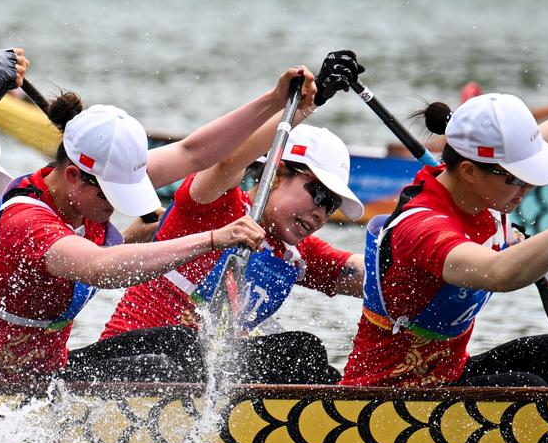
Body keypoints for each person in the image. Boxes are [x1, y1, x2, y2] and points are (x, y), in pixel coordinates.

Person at [0, 66, 318, 382]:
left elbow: (193, 153)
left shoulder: (86, 190)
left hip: (49, 378)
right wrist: (211, 239)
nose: (114, 206)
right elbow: (100, 267)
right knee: (162, 366)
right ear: (74, 176)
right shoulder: (27, 221)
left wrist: (275, 100)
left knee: (182, 344)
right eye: (111, 195)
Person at [87, 121, 365, 384]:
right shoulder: (215, 204)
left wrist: (393, 244)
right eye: (319, 195)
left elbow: (374, 276)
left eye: (331, 205)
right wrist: (302, 108)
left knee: (313, 365)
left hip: (197, 376)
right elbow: (227, 160)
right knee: (298, 350)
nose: (321, 213)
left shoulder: (296, 255)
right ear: (277, 174)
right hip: (126, 361)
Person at [341, 92, 548, 387]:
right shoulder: (421, 228)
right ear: (469, 171)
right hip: (385, 395)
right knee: (527, 386)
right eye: (518, 178)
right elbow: (499, 273)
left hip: (449, 378)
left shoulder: (489, 183)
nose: (527, 187)